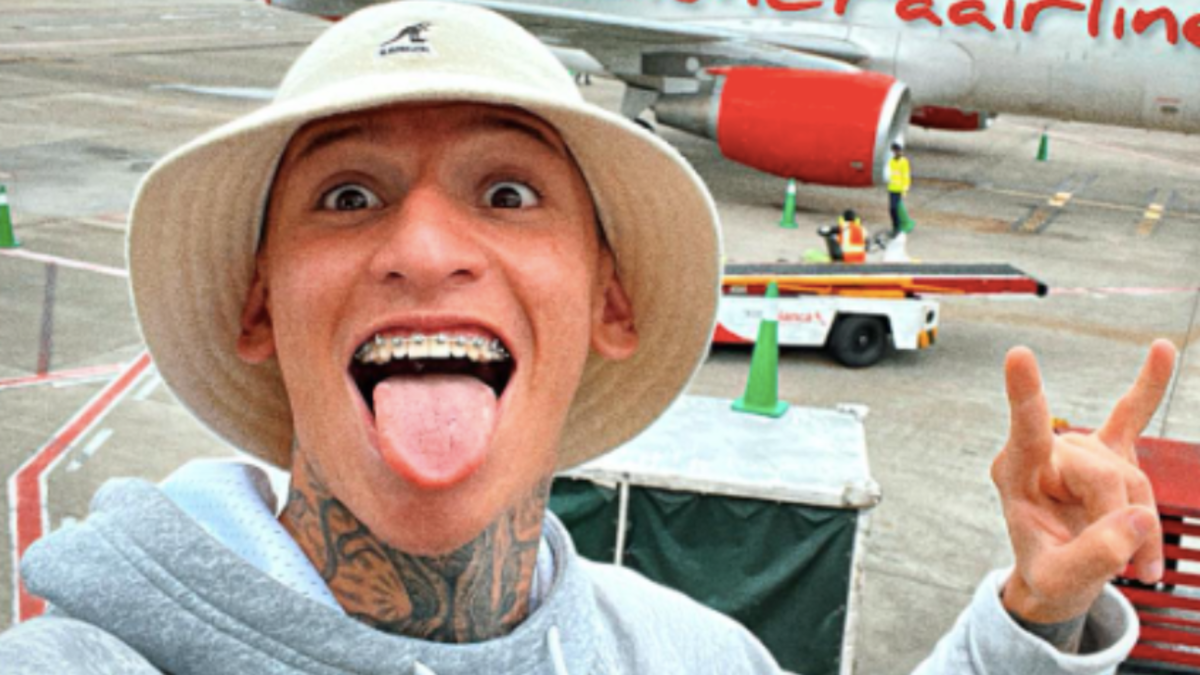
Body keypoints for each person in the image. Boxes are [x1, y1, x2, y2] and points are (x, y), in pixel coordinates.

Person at [0, 3, 1177, 673]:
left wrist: (1029, 621)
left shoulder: (699, 655)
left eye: (508, 193)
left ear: (614, 302)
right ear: (255, 305)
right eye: (347, 196)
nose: (426, 247)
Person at [888, 142, 911, 236]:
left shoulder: (904, 162)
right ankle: (895, 226)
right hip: (892, 189)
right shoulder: (891, 161)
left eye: (897, 151)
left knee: (894, 208)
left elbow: (906, 177)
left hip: (899, 190)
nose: (896, 152)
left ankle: (897, 227)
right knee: (892, 209)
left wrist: (904, 191)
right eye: (894, 151)